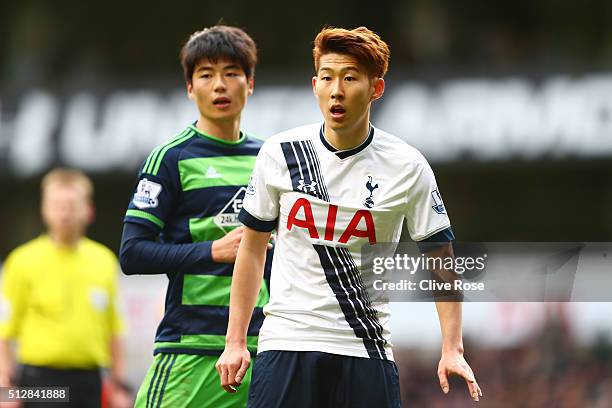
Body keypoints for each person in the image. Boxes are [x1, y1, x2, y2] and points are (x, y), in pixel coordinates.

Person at [216, 26, 483, 407]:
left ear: (376, 88)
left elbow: (439, 255)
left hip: (365, 348)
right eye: (327, 78)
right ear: (315, 85)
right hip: (288, 341)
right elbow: (253, 250)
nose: (336, 90)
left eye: (350, 78)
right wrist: (236, 341)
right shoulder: (280, 153)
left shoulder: (408, 166)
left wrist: (452, 347)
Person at [119, 24, 271, 408]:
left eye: (231, 73)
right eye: (206, 75)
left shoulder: (271, 159)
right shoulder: (170, 159)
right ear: (190, 88)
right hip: (190, 351)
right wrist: (212, 251)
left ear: (249, 83)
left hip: (264, 349)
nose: (219, 85)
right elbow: (133, 252)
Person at [0, 168, 132, 408]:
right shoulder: (21, 261)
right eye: (57, 205)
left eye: (71, 205)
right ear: (44, 209)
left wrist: (119, 385)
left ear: (88, 210)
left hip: (90, 380)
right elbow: (3, 331)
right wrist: (5, 390)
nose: (64, 213)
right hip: (40, 382)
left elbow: (115, 329)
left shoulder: (103, 261)